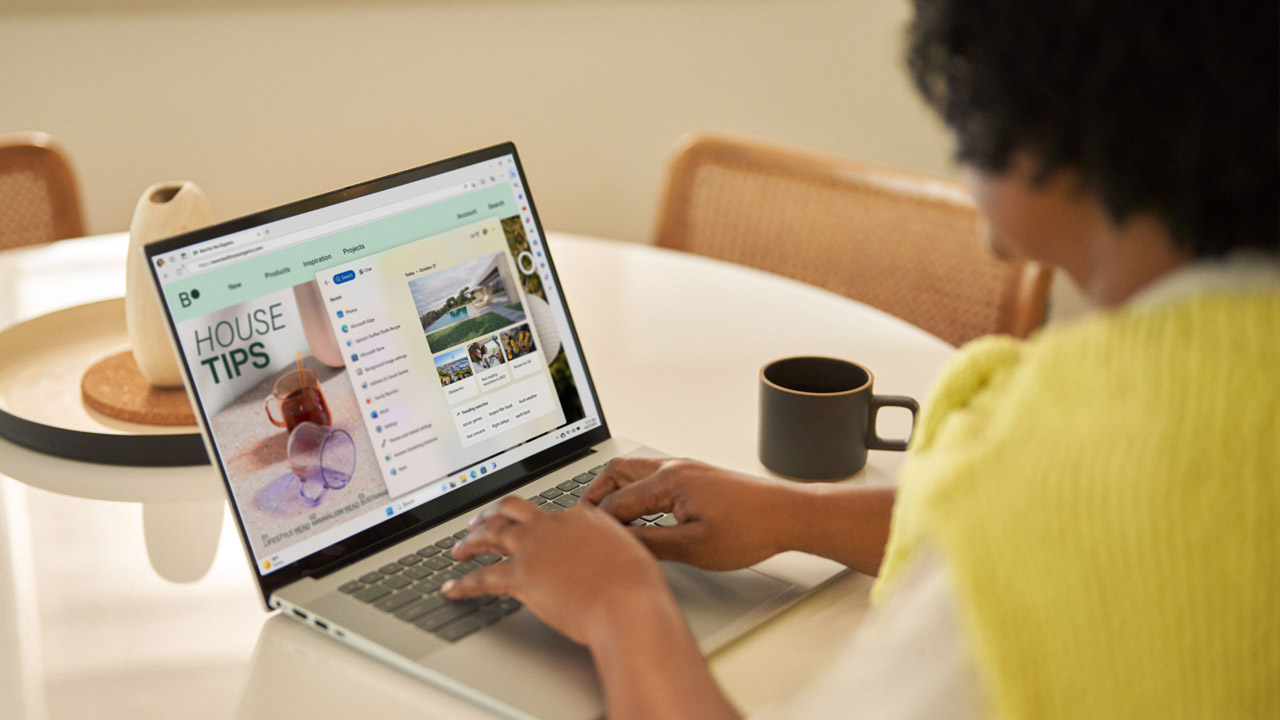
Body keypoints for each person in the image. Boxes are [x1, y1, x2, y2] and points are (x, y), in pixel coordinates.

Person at [443, 0, 1279, 717]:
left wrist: (620, 605)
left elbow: (1054, 521)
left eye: (965, 94)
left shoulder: (1067, 465)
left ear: (1057, 125)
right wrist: (794, 515)